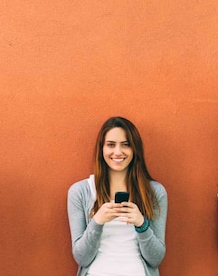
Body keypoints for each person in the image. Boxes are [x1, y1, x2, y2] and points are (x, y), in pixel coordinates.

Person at [67, 117, 168, 276]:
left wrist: (141, 224)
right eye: (111, 144)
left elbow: (155, 258)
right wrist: (97, 221)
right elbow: (81, 258)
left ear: (135, 149)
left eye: (126, 145)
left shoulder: (155, 192)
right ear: (102, 149)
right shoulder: (80, 192)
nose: (118, 152)